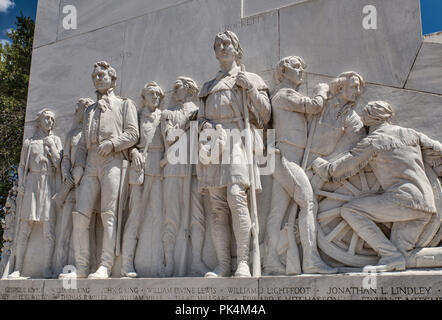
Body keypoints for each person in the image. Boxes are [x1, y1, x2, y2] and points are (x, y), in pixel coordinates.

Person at [312, 101, 442, 272]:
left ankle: (389, 254)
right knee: (404, 257)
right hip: (426, 203)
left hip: (403, 201)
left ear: (367, 120)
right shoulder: (411, 134)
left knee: (351, 210)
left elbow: (343, 168)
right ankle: (395, 256)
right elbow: (438, 148)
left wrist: (321, 166)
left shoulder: (375, 141)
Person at [197, 31, 271, 277]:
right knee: (217, 205)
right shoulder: (208, 86)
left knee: (236, 194)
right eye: (217, 45)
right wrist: (205, 126)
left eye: (226, 43)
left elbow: (265, 115)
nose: (221, 47)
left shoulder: (249, 78)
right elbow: (201, 118)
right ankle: (223, 264)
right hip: (213, 143)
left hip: (238, 138)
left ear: (237, 49)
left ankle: (243, 262)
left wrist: (249, 88)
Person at [59, 61, 139, 279]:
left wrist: (113, 144)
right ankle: (82, 267)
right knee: (81, 215)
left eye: (101, 75)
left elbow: (133, 134)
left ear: (112, 78)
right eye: (94, 76)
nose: (97, 79)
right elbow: (83, 143)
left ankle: (105, 265)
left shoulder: (124, 104)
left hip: (112, 159)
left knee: (109, 214)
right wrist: (79, 166)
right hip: (91, 163)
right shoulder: (90, 111)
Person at [264, 56, 336, 275]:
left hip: (288, 156)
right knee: (308, 203)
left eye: (302, 67)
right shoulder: (284, 94)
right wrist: (322, 90)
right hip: (287, 156)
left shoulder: (286, 94)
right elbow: (313, 107)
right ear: (283, 72)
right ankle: (311, 260)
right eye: (296, 67)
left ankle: (271, 261)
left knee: (277, 213)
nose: (301, 71)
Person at [161, 76, 209, 277]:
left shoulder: (201, 111)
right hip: (173, 169)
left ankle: (196, 260)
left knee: (197, 217)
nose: (173, 91)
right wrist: (187, 125)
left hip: (195, 168)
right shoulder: (167, 113)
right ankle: (170, 262)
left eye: (177, 87)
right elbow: (169, 137)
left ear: (189, 89)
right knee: (171, 217)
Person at [8, 109, 63, 279]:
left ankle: (47, 267)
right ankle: (18, 267)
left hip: (48, 183)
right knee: (25, 227)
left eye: (52, 119)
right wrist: (22, 184)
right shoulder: (29, 142)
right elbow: (23, 165)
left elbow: (60, 164)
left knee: (49, 229)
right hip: (32, 181)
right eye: (46, 118)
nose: (50, 122)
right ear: (39, 121)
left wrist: (51, 147)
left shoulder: (55, 140)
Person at [121, 81, 165, 278]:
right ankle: (126, 263)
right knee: (135, 217)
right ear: (144, 96)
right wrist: (132, 152)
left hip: (159, 169)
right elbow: (127, 140)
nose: (155, 97)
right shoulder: (137, 116)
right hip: (139, 168)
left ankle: (157, 263)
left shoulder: (164, 116)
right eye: (151, 93)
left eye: (158, 94)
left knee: (159, 216)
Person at [53, 98, 94, 276]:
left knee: (84, 228)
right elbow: (66, 159)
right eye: (79, 110)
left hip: (86, 185)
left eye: (83, 110)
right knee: (64, 231)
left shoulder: (92, 134)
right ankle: (58, 268)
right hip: (70, 187)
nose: (79, 114)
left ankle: (82, 265)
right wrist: (66, 175)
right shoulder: (72, 134)